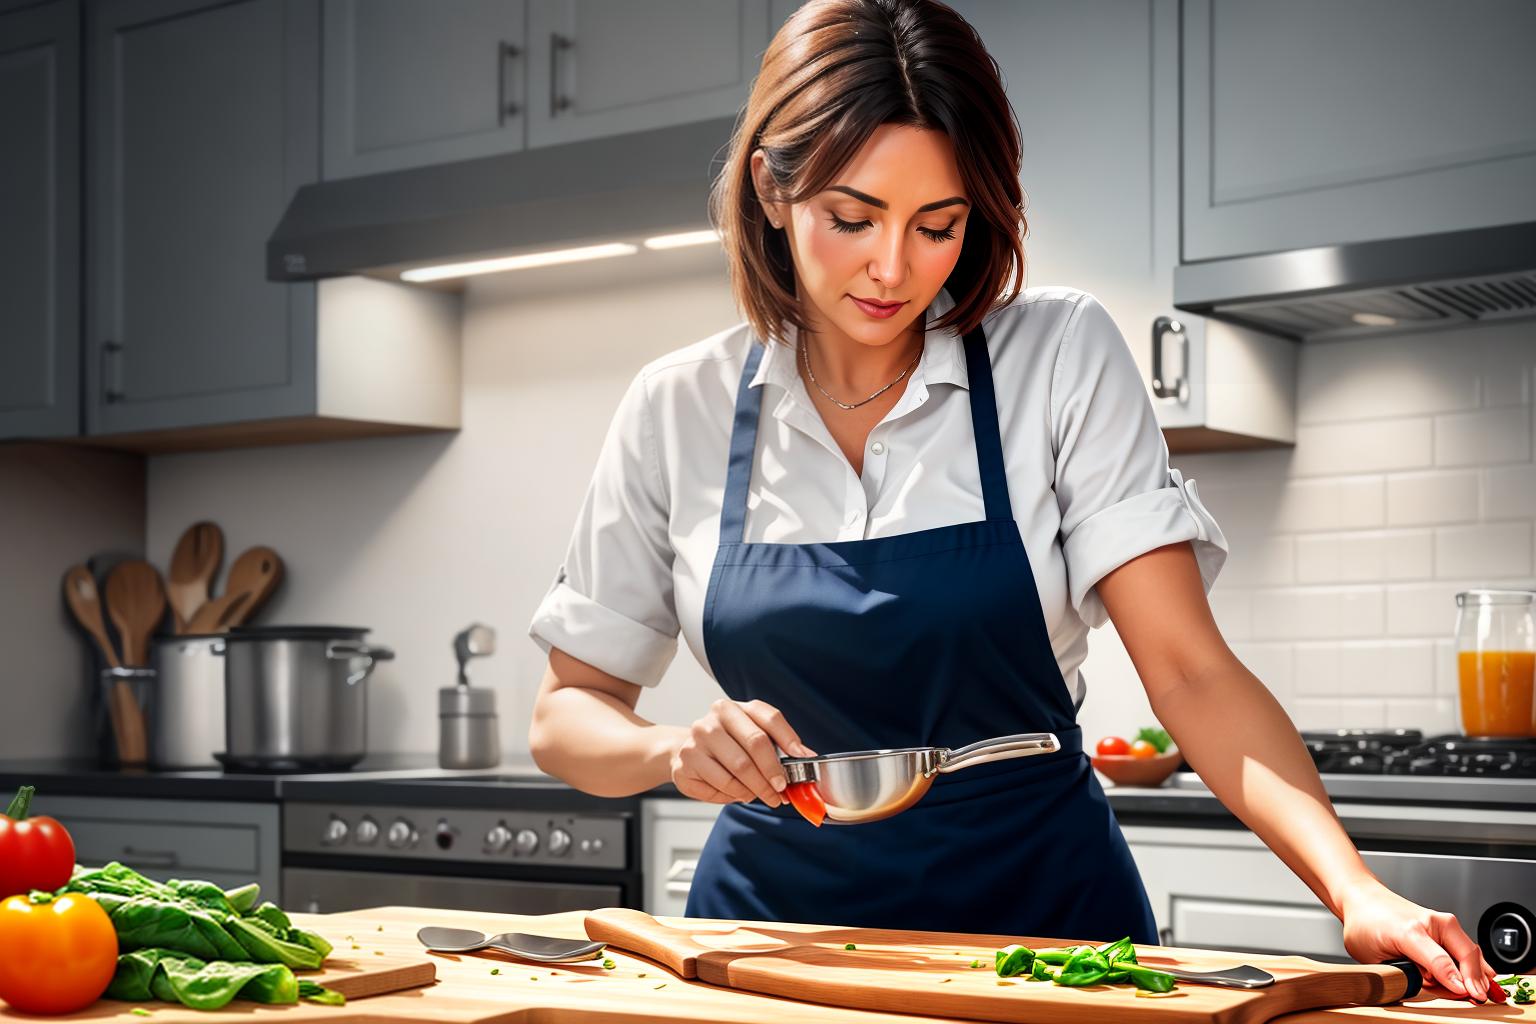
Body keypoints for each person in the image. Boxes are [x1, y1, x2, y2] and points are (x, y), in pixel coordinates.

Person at [528, 0, 1501, 1003]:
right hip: (770, 954)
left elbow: (1191, 672)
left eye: (937, 224)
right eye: (851, 218)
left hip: (1045, 938)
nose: (894, 267)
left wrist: (1353, 888)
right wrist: (667, 749)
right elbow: (568, 712)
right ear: (772, 192)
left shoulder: (1059, 356)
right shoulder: (675, 406)